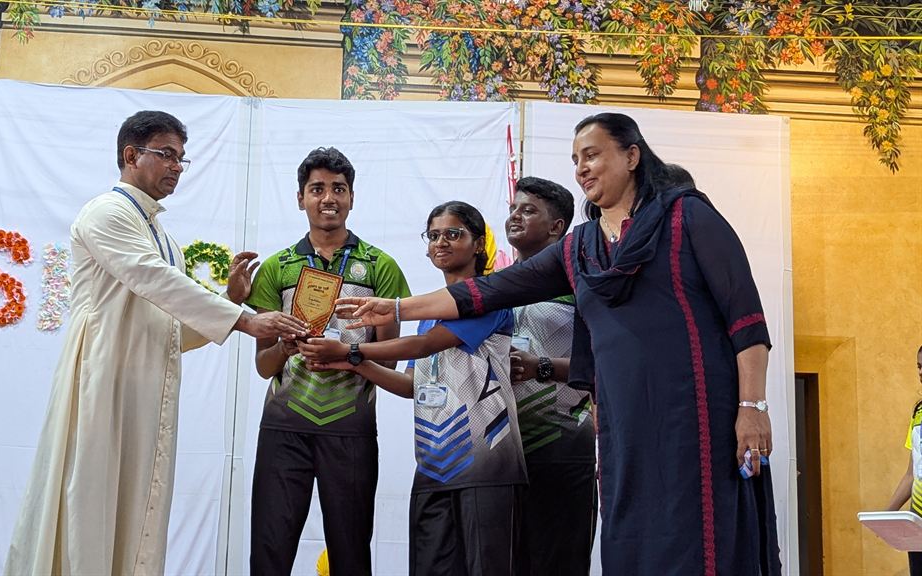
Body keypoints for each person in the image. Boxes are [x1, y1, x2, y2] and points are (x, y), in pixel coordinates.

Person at [334, 112, 782, 575]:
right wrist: (398, 308)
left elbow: (745, 319)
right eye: (575, 160)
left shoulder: (687, 217)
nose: (582, 168)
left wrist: (752, 406)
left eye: (592, 155)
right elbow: (489, 290)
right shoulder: (582, 247)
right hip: (623, 424)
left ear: (632, 156)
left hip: (695, 416)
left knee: (700, 537)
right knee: (632, 539)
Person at [5, 111, 307, 575]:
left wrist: (229, 301)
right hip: (104, 377)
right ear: (131, 155)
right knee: (92, 496)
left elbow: (167, 327)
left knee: (138, 502)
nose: (176, 167)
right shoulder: (106, 213)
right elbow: (152, 279)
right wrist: (246, 320)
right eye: (166, 154)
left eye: (181, 158)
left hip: (147, 385)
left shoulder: (164, 237)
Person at [298, 201, 525, 576]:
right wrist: (350, 362)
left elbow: (424, 346)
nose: (441, 242)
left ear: (478, 244)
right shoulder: (428, 313)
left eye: (453, 234)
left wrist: (352, 350)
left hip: (488, 464)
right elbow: (410, 384)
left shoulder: (490, 298)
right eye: (434, 235)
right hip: (434, 466)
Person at [244, 147, 411, 575]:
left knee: (351, 552)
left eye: (338, 188)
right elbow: (263, 366)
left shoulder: (380, 266)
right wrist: (287, 347)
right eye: (317, 189)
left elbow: (392, 360)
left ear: (352, 197)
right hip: (285, 426)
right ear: (300, 197)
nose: (328, 198)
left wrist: (349, 356)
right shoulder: (278, 267)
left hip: (350, 426)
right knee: (269, 550)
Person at [505, 176, 597, 574]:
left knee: (559, 563)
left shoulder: (582, 285)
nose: (515, 216)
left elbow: (604, 363)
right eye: (513, 208)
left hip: (563, 444)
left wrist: (540, 367)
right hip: (502, 449)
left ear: (557, 226)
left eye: (528, 210)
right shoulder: (495, 286)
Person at [886, 344, 922, 575]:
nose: (921, 372)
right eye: (919, 366)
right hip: (918, 522)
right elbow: (912, 474)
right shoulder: (918, 412)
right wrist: (886, 515)